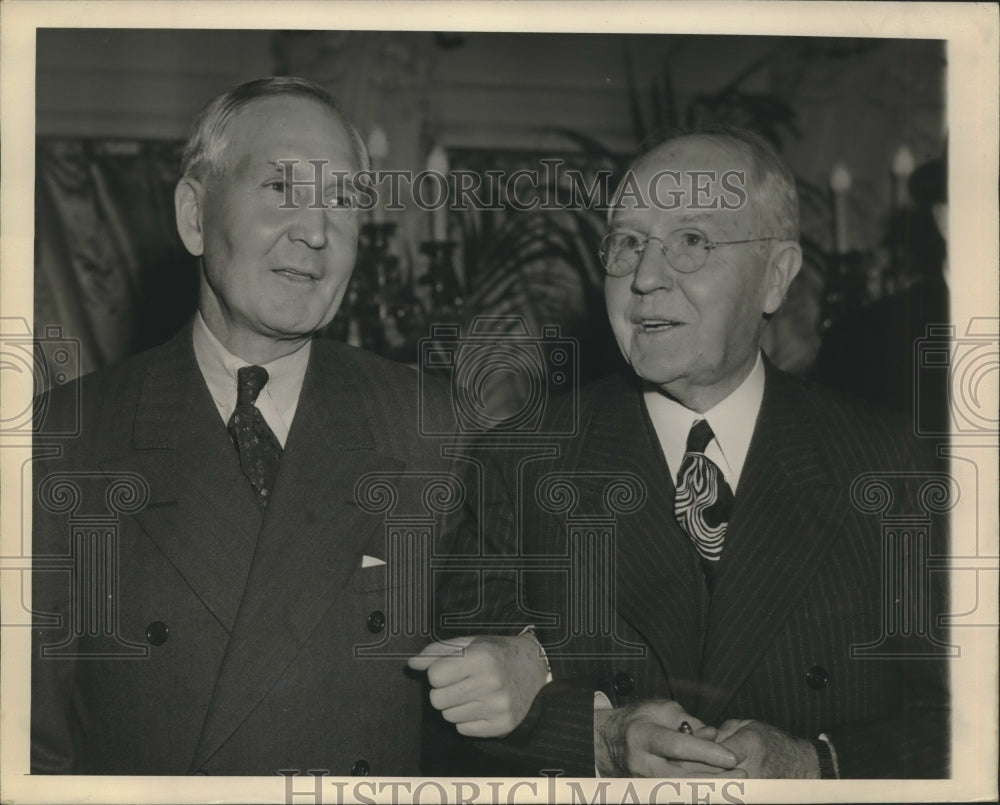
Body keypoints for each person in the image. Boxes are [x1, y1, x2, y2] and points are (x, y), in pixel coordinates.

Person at [415, 128, 950, 778]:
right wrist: (604, 737)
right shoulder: (517, 462)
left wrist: (818, 763)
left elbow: (964, 716)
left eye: (691, 242)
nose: (643, 277)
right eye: (628, 243)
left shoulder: (891, 460)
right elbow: (456, 708)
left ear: (775, 278)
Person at [30, 76, 463, 776]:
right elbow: (32, 750)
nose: (317, 231)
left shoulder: (433, 426)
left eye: (344, 200)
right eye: (283, 188)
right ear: (195, 216)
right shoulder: (67, 438)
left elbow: (503, 686)